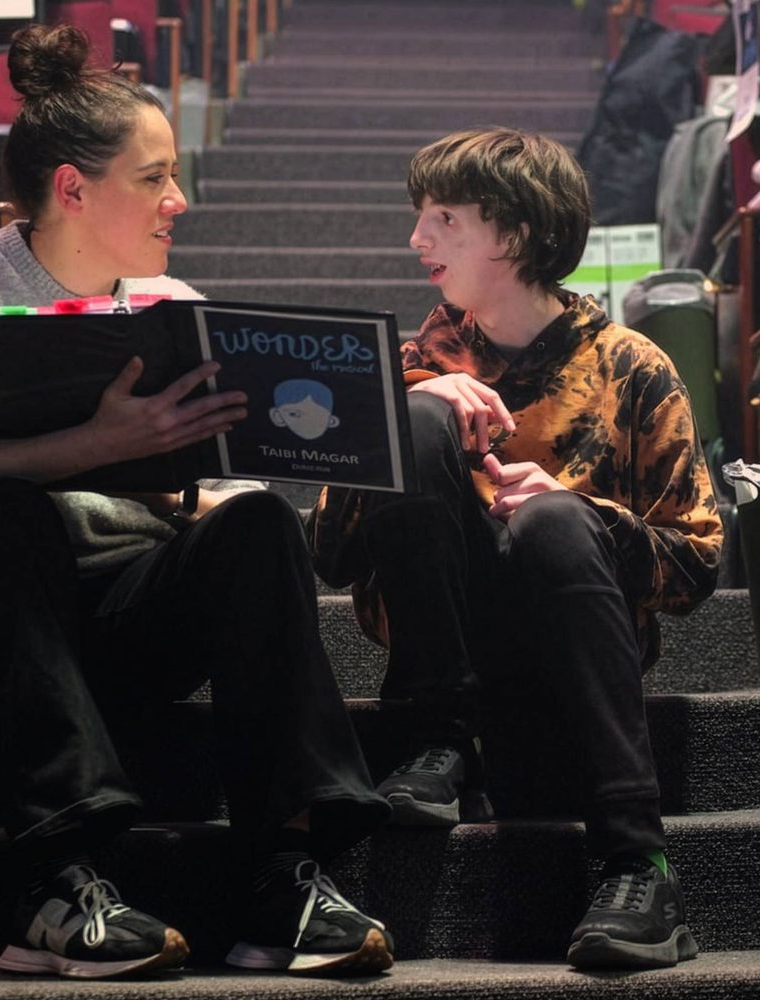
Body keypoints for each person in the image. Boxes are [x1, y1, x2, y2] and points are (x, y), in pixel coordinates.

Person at [0, 24, 392, 980]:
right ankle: (59, 882)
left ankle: (286, 876)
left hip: (113, 617)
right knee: (10, 510)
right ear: (74, 188)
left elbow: (223, 494)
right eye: (154, 178)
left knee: (261, 521)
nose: (178, 200)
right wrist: (91, 446)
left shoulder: (170, 299)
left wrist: (188, 486)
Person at [309, 128, 723, 970]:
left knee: (552, 519)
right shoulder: (408, 364)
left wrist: (586, 512)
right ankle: (441, 743)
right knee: (418, 417)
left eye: (443, 218)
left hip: (573, 654)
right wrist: (397, 402)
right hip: (444, 659)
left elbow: (698, 566)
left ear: (515, 233)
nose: (417, 239)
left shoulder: (630, 366)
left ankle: (637, 864)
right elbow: (332, 555)